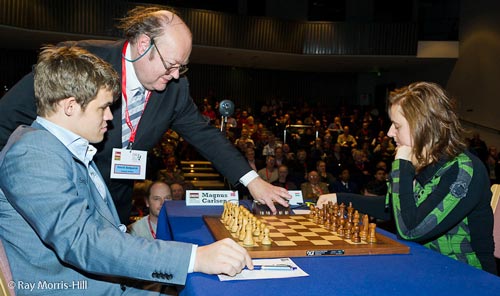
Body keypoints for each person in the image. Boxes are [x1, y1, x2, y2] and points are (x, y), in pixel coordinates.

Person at [0, 6, 290, 224]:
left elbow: (205, 135)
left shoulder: (174, 88)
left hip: (117, 202)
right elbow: (7, 116)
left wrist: (252, 180)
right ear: (143, 45)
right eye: (171, 64)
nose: (176, 75)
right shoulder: (81, 61)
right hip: (63, 195)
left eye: (182, 67)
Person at [0, 46, 254, 295]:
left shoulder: (64, 147)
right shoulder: (34, 154)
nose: (111, 117)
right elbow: (84, 242)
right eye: (103, 107)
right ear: (70, 106)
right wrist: (192, 259)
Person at [317, 82, 496, 274]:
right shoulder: (422, 162)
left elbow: (411, 229)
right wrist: (340, 198)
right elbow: (393, 208)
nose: (389, 133)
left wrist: (402, 164)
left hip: (469, 276)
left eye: (396, 126)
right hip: (427, 266)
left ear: (423, 127)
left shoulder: (463, 170)